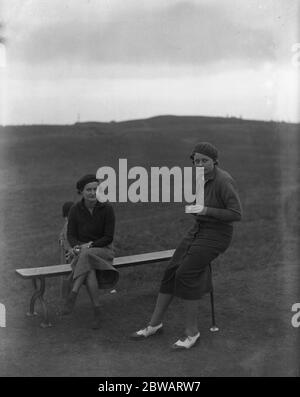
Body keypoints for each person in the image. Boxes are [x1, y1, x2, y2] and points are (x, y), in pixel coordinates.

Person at [131, 142, 242, 350]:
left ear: (214, 161)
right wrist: (194, 208)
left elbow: (236, 214)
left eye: (204, 161)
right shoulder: (200, 177)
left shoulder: (224, 181)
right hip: (199, 229)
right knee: (171, 271)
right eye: (196, 160)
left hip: (217, 235)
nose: (199, 164)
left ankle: (192, 333)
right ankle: (154, 325)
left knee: (186, 274)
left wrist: (206, 210)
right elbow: (199, 205)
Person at [62, 174, 118, 329]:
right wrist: (79, 247)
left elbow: (108, 237)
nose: (93, 193)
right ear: (81, 191)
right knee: (89, 269)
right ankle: (97, 311)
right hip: (83, 254)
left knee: (86, 255)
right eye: (89, 190)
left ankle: (73, 293)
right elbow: (71, 235)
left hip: (104, 251)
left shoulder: (107, 208)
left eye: (96, 189)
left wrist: (88, 246)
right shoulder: (75, 210)